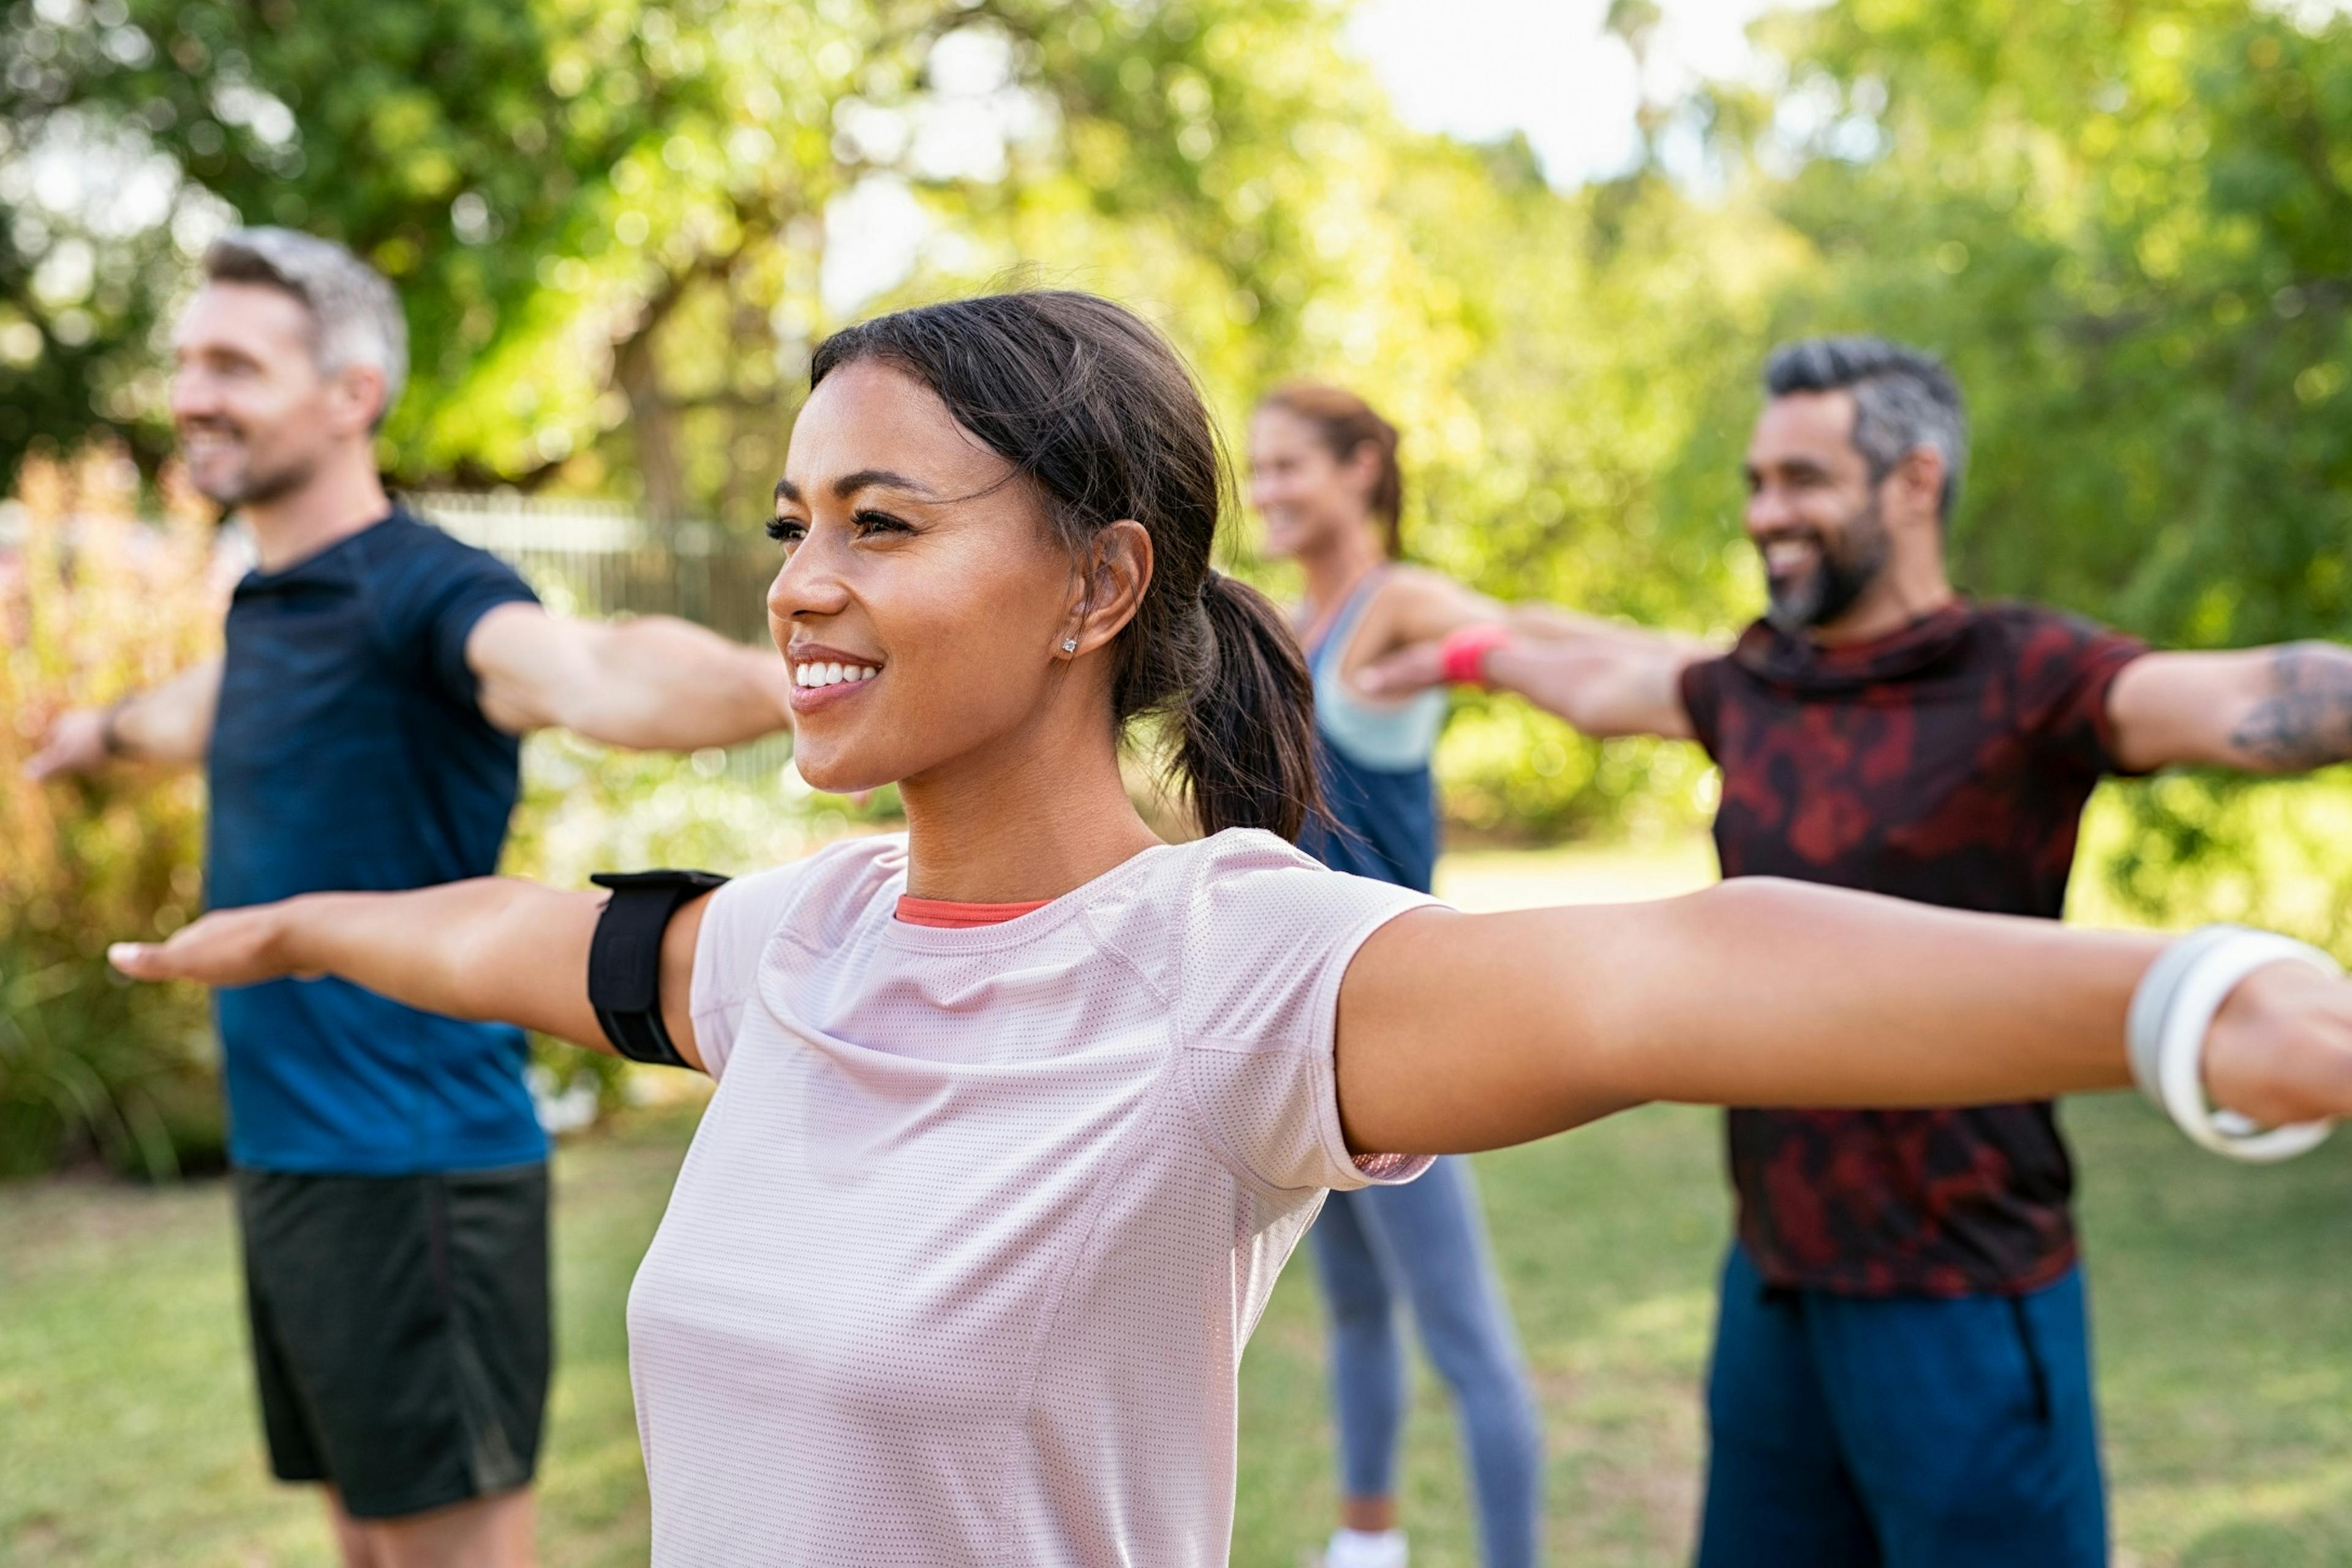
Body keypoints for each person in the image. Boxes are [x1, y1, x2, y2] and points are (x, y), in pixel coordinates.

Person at [104, 295, 2352, 1568]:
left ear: (1100, 586)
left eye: (881, 522)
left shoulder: (1232, 975)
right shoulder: (801, 945)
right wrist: (303, 919)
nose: (800, 579)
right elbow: (541, 937)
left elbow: (1689, 969)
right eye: (797, 521)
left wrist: (2194, 998)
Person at [1362, 336, 2352, 1568]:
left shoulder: (2025, 674)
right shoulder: (1754, 680)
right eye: (1756, 481)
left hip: (1964, 1298)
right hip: (1774, 1284)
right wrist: (1459, 655)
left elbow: (2252, 698)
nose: (1766, 513)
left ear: (1914, 481)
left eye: (1803, 479)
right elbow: (1599, 673)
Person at [26, 228, 797, 1568]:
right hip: (299, 1163)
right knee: (369, 1543)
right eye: (188, 358)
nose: (193, 390)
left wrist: (800, 683)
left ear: (352, 391)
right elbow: (197, 712)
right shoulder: (275, 603)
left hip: (416, 1169)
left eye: (234, 362)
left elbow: (593, 672)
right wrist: (91, 734)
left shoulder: (426, 591)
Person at [1249, 384, 1542, 1568]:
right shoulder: (1285, 623)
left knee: (1464, 1337)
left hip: (1403, 1024)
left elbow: (1532, 641)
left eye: (1290, 468)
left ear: (1363, 467)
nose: (1266, 490)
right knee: (1358, 1312)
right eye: (1257, 470)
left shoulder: (1399, 606)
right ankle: (1364, 1546)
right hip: (1302, 1029)